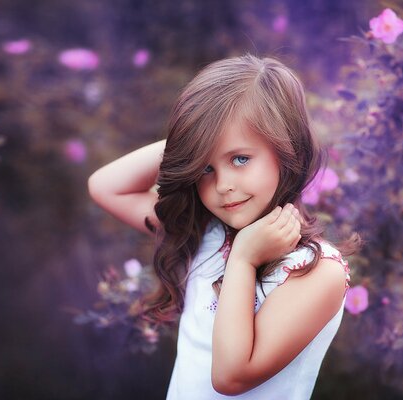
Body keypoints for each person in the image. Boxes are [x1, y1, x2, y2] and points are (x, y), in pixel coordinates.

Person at [88, 54, 360, 399]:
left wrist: (244, 260)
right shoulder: (207, 233)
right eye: (205, 168)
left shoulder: (316, 271)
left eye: (240, 159)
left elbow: (231, 376)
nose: (222, 185)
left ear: (287, 148)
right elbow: (105, 186)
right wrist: (193, 140)